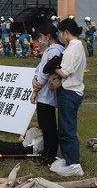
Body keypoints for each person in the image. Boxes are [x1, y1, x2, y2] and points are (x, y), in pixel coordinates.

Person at [45, 18, 87, 176]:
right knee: (65, 127)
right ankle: (69, 159)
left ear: (66, 33)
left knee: (67, 129)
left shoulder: (73, 48)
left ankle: (74, 164)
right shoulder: (76, 46)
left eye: (60, 33)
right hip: (72, 91)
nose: (60, 37)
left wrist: (54, 66)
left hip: (69, 93)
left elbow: (65, 72)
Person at [30, 23, 65, 167]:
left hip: (47, 95)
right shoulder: (49, 50)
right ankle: (46, 153)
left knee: (49, 126)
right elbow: (39, 69)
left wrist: (35, 89)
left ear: (48, 36)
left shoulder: (55, 51)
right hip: (43, 94)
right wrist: (34, 78)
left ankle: (50, 156)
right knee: (44, 125)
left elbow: (44, 73)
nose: (40, 39)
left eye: (41, 36)